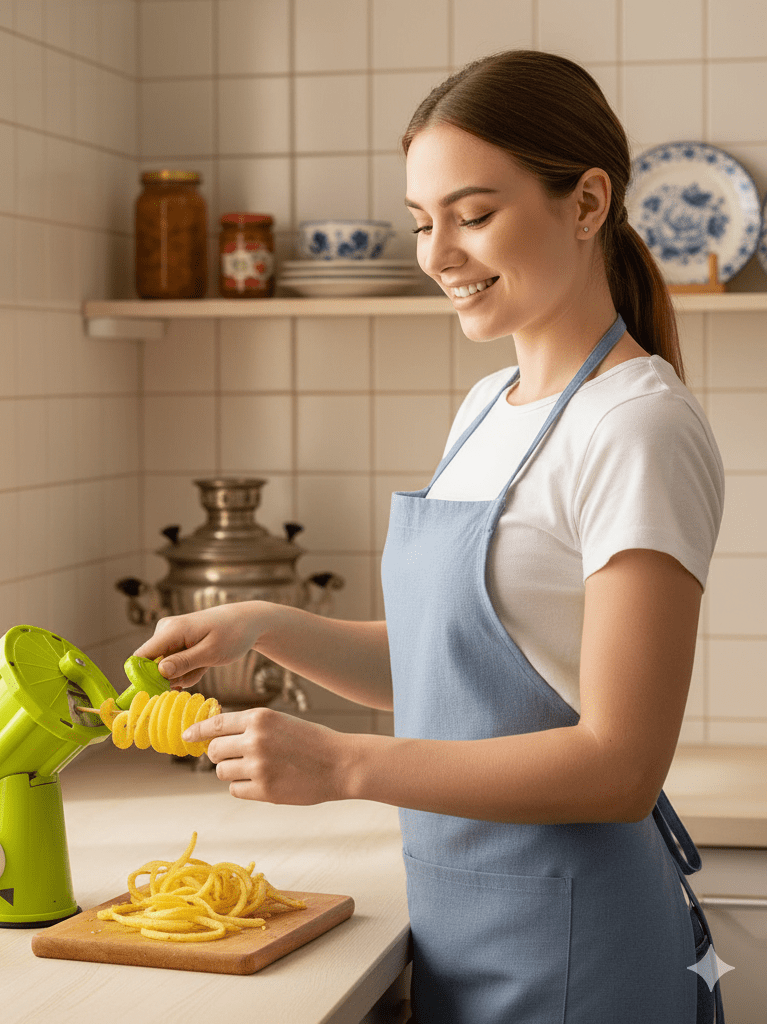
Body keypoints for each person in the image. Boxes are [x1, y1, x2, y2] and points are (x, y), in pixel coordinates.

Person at [135, 50, 725, 1024]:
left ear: (585, 203)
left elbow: (622, 766)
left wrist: (341, 765)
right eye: (421, 222)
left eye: (473, 214)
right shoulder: (486, 404)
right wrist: (262, 623)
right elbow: (447, 671)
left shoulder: (638, 426)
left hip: (578, 949)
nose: (438, 254)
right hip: (467, 931)